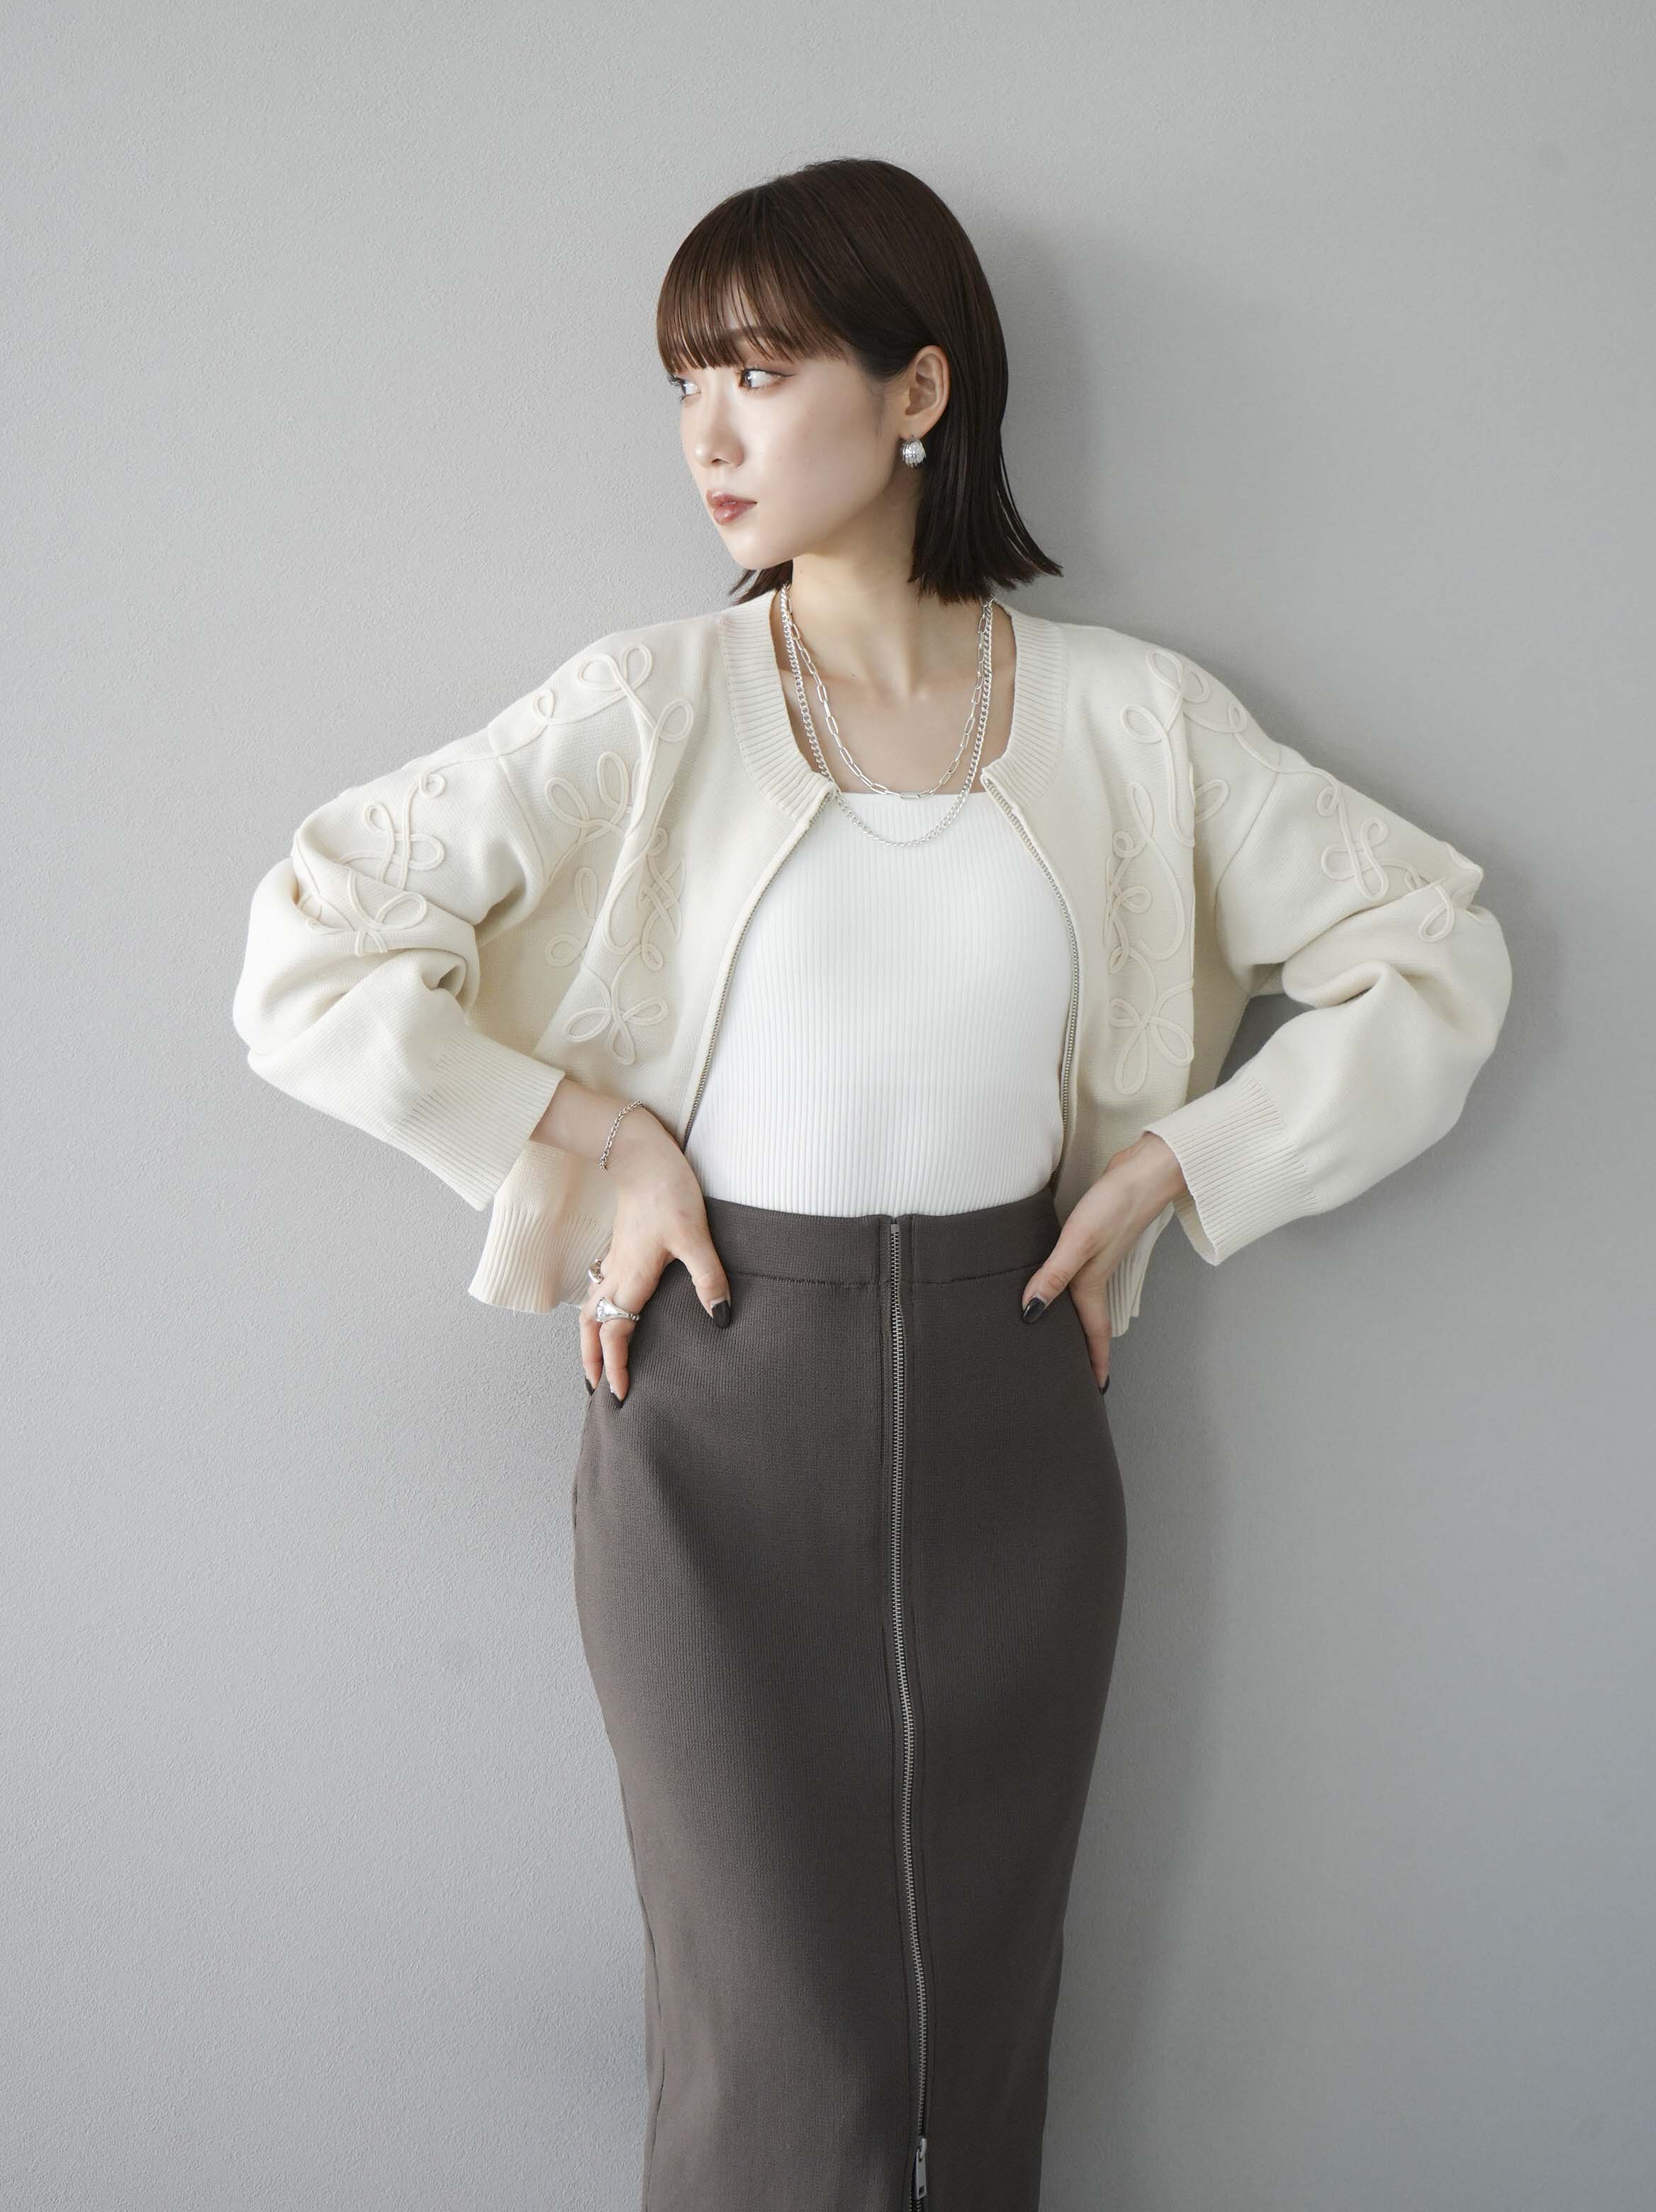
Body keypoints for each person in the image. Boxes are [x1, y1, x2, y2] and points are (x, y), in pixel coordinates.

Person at [232, 157, 1513, 2212]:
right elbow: (308, 957)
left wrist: (1179, 1168)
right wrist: (605, 1140)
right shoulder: (647, 705)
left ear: (920, 391)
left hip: (1019, 1408)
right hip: (716, 1406)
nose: (709, 436)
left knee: (973, 2048)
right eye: (685, 383)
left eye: (759, 372)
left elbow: (1432, 955)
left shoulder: (1131, 719)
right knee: (786, 2050)